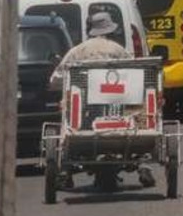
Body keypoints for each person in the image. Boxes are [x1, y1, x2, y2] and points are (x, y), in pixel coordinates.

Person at [47, 12, 155, 188]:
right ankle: (143, 165)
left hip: (86, 118)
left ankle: (65, 172)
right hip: (118, 113)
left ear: (91, 30)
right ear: (110, 30)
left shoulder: (77, 52)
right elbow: (135, 76)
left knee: (67, 115)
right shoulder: (118, 51)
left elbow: (56, 79)